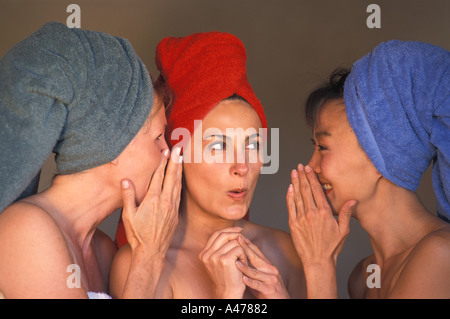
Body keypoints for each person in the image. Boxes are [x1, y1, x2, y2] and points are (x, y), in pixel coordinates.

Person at [111, 32, 306, 299]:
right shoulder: (140, 264)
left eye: (252, 145)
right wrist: (227, 295)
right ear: (176, 155)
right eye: (218, 146)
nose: (242, 166)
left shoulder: (285, 254)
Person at [0, 22, 182, 298]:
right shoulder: (27, 231)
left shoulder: (103, 250)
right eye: (158, 137)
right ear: (112, 143)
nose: (167, 151)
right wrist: (149, 258)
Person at [287, 41, 450, 298]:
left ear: (380, 155)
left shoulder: (440, 257)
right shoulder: (363, 278)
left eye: (323, 146)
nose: (310, 166)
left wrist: (318, 265)